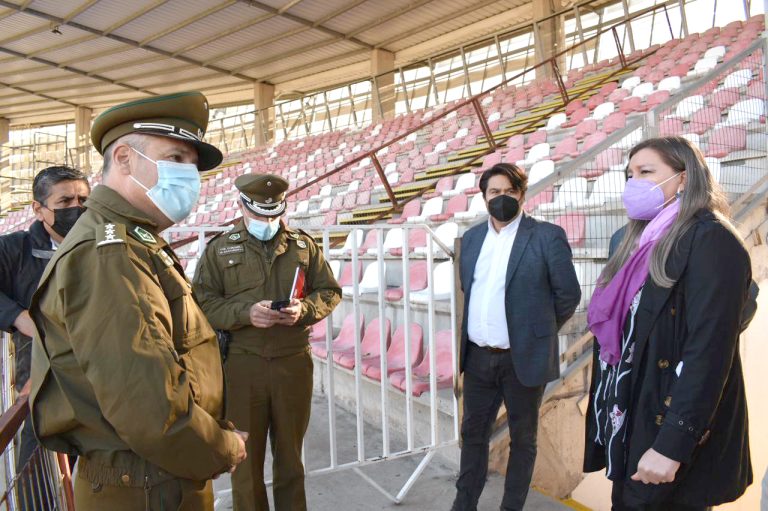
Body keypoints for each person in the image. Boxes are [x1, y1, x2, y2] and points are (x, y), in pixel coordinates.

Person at [28, 91, 247, 511]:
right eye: (176, 158)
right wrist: (224, 447)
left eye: (192, 165)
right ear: (125, 159)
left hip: (157, 474)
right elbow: (150, 409)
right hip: (146, 484)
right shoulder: (108, 253)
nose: (190, 175)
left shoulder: (132, 240)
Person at [584, 136, 753, 510]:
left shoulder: (712, 240)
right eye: (630, 175)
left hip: (667, 433)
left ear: (684, 177)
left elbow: (708, 354)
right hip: (630, 421)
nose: (634, 183)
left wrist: (672, 445)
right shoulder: (631, 241)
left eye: (646, 172)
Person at [193, 173, 341, 511]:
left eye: (275, 214)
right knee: (245, 460)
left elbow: (329, 291)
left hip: (292, 363)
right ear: (244, 207)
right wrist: (246, 313)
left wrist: (305, 309)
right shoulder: (220, 249)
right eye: (261, 214)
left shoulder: (303, 245)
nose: (269, 221)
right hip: (243, 367)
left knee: (291, 459)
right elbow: (203, 302)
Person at [450, 163, 581, 511]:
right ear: (484, 197)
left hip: (521, 359)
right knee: (473, 436)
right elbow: (470, 289)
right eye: (494, 192)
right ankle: (464, 504)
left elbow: (568, 294)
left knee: (524, 440)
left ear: (522, 194)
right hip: (477, 358)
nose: (501, 198)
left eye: (509, 191)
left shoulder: (546, 236)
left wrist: (535, 333)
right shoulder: (473, 238)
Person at [0, 165, 89, 507]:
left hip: (102, 383)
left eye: (82, 199)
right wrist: (18, 317)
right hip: (43, 387)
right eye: (64, 200)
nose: (76, 207)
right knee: (39, 480)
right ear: (38, 209)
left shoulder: (102, 245)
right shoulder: (16, 249)